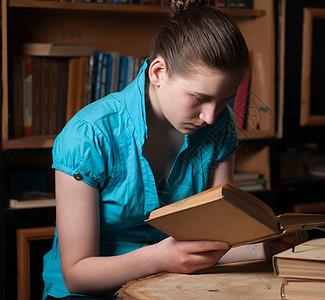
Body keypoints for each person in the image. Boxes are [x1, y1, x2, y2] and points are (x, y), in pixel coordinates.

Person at [42, 1, 297, 298]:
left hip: (173, 287)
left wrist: (265, 245)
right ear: (159, 72)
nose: (211, 116)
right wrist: (158, 257)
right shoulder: (88, 135)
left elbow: (214, 240)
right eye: (200, 98)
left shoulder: (220, 126)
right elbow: (76, 275)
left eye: (225, 99)